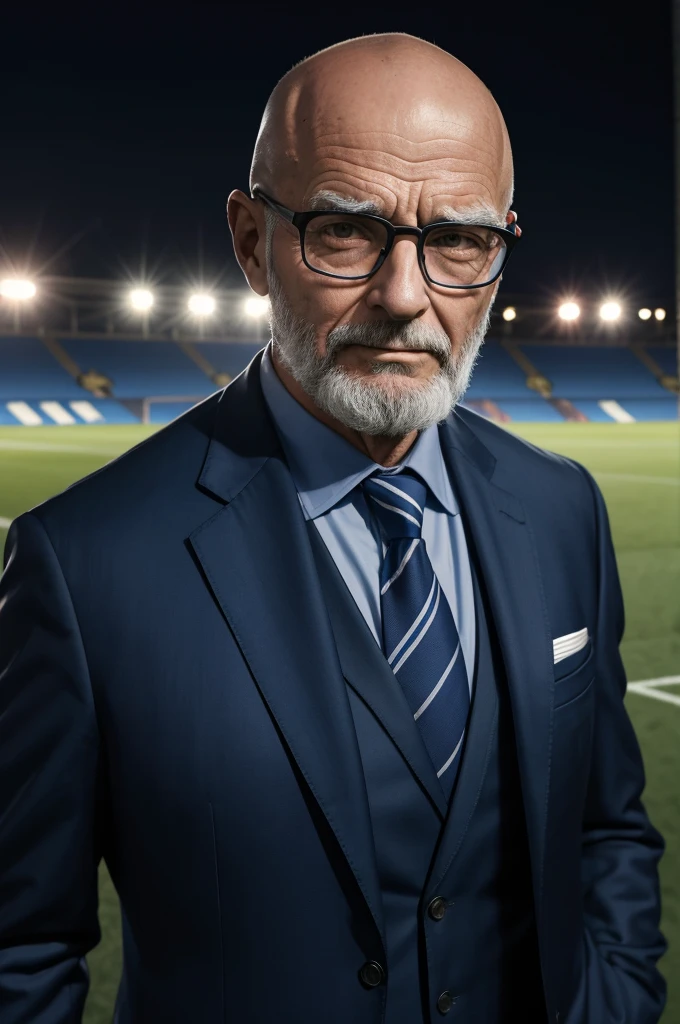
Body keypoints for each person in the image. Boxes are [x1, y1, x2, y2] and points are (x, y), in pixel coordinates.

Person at [0, 32, 666, 1024]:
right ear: (248, 240)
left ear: (498, 249)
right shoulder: (84, 563)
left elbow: (607, 824)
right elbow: (22, 948)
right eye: (344, 231)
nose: (406, 298)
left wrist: (612, 995)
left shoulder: (563, 508)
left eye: (458, 241)